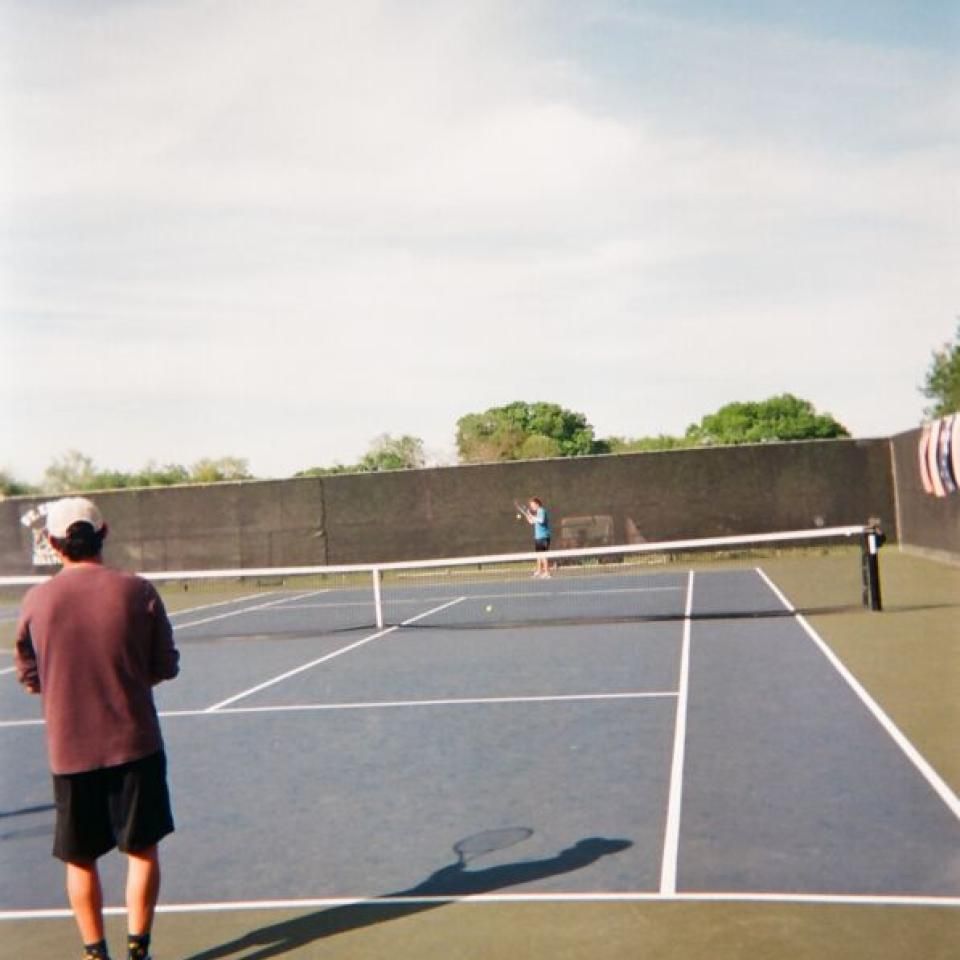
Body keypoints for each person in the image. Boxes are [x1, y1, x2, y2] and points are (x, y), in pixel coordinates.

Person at [15, 497, 180, 960]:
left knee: (79, 857)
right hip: (135, 744)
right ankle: (138, 950)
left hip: (69, 751)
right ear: (103, 533)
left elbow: (30, 676)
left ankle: (94, 953)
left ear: (52, 543)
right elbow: (165, 664)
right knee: (142, 850)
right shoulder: (139, 591)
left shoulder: (35, 600)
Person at [523, 496, 552, 578]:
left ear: (537, 504)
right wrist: (528, 516)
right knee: (538, 555)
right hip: (538, 537)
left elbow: (541, 520)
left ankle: (547, 572)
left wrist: (532, 516)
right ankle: (539, 571)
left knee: (543, 555)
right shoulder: (537, 513)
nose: (531, 507)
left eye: (532, 505)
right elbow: (532, 522)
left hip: (544, 537)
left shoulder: (541, 510)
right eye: (530, 505)